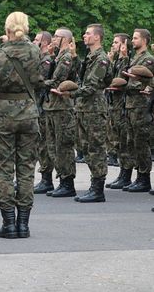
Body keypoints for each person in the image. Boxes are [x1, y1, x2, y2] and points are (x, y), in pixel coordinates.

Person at [0, 12, 43, 239]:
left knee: (5, 170)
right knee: (26, 169)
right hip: (28, 113)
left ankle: (8, 223)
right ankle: (24, 224)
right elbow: (40, 80)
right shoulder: (36, 52)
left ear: (7, 29)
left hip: (4, 115)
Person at [52, 24, 111, 203]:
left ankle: (98, 189)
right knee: (86, 147)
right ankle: (95, 186)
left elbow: (92, 85)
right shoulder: (90, 57)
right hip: (84, 108)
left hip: (94, 108)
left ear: (97, 37)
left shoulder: (101, 58)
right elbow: (80, 77)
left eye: (88, 34)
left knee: (96, 149)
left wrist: (70, 93)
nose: (84, 36)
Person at [42, 28, 78, 198]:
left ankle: (67, 182)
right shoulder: (57, 57)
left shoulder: (66, 58)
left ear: (65, 39)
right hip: (52, 106)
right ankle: (61, 179)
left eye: (56, 36)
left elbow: (58, 81)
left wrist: (37, 81)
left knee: (63, 146)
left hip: (62, 108)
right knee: (52, 146)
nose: (54, 38)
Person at [121, 29, 154, 192]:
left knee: (141, 142)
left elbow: (150, 80)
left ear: (145, 41)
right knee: (132, 141)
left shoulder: (148, 59)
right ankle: (138, 176)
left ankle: (144, 178)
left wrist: (147, 87)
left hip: (141, 105)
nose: (132, 41)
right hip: (131, 104)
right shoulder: (135, 58)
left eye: (135, 38)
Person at [105, 34, 132, 189]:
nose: (113, 45)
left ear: (124, 45)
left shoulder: (126, 61)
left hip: (122, 105)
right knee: (118, 140)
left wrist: (124, 57)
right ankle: (122, 173)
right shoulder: (117, 61)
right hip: (114, 105)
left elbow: (122, 79)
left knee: (124, 141)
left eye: (116, 43)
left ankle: (126, 175)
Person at [32, 31, 54, 194]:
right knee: (40, 144)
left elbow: (40, 81)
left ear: (44, 43)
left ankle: (47, 179)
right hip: (38, 105)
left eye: (36, 40)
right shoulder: (39, 59)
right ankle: (44, 178)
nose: (34, 41)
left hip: (43, 106)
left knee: (44, 144)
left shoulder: (46, 61)